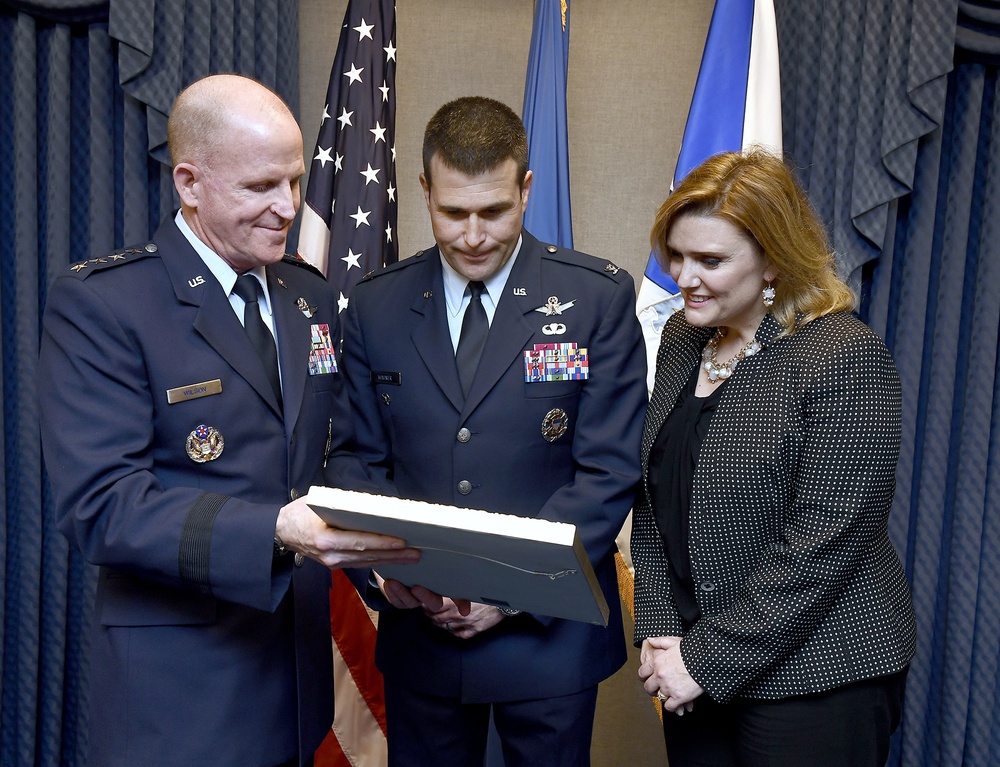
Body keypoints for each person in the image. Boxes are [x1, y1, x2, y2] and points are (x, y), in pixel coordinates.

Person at [37, 74, 420, 767]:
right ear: (189, 182)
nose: (288, 207)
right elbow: (103, 506)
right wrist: (274, 528)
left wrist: (387, 554)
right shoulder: (106, 304)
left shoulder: (309, 296)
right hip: (184, 695)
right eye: (260, 187)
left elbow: (331, 458)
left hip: (299, 687)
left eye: (297, 182)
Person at [340, 96, 648, 767]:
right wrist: (392, 576)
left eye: (495, 211)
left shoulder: (596, 297)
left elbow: (608, 469)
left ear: (526, 189)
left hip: (547, 639)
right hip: (421, 632)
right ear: (423, 190)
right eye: (453, 212)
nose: (474, 234)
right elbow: (356, 459)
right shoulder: (374, 303)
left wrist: (507, 589)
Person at [632, 149, 917, 767]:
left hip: (819, 673)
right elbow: (655, 502)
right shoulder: (684, 340)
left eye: (711, 260)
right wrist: (661, 632)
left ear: (772, 261)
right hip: (694, 663)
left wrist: (704, 660)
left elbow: (824, 544)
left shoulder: (843, 356)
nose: (684, 277)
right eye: (677, 254)